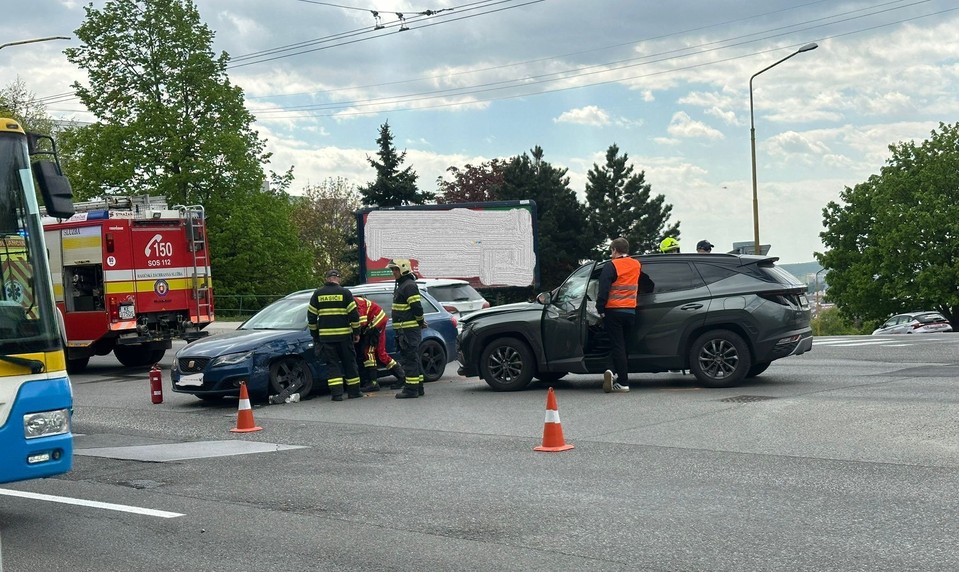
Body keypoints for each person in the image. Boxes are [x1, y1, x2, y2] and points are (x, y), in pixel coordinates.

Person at [307, 269, 363, 401]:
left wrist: (315, 335)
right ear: (338, 279)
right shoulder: (345, 293)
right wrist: (356, 332)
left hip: (326, 338)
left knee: (332, 365)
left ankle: (337, 394)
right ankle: (354, 392)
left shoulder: (318, 294)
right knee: (349, 363)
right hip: (344, 336)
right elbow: (354, 315)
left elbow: (311, 317)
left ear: (327, 278)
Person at [596, 237, 642, 394]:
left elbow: (603, 290)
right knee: (624, 346)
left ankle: (623, 382)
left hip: (613, 311)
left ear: (614, 250)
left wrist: (600, 308)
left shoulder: (611, 266)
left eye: (611, 251)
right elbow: (646, 283)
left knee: (617, 345)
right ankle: (611, 370)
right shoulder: (636, 264)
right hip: (630, 311)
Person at [387, 258, 427, 399]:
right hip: (405, 330)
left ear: (403, 269)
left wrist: (420, 321)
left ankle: (411, 390)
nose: (394, 272)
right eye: (392, 270)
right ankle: (418, 387)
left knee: (409, 360)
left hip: (408, 331)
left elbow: (416, 307)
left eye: (395, 269)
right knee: (413, 359)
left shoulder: (408, 285)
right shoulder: (403, 285)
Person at [354, 295, 406, 393]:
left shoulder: (356, 303)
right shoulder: (352, 301)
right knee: (380, 354)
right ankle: (401, 376)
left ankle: (374, 383)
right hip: (374, 322)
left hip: (376, 322)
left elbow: (362, 322)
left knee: (369, 351)